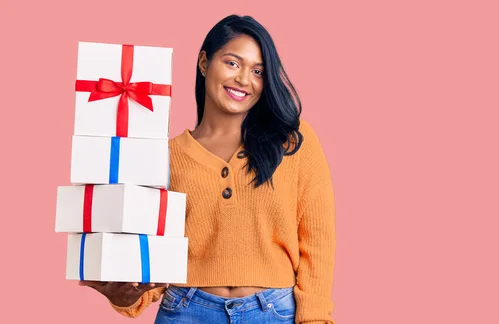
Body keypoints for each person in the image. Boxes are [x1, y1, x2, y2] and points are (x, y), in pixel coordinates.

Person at [79, 14, 336, 324]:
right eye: (232, 63)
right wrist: (128, 295)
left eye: (257, 71)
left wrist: (316, 318)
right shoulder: (165, 155)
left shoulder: (293, 142)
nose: (244, 79)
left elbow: (318, 242)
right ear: (204, 63)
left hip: (274, 312)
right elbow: (153, 251)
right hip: (185, 310)